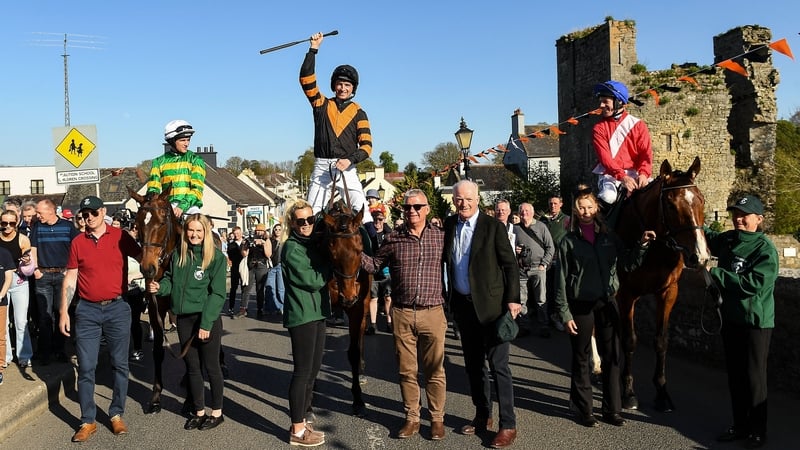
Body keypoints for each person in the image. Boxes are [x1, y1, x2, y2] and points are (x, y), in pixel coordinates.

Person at [553, 186, 654, 428]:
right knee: (582, 357)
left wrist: (641, 245)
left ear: (597, 208)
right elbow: (561, 281)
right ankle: (584, 408)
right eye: (581, 208)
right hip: (580, 304)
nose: (586, 211)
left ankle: (612, 409)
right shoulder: (568, 242)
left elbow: (628, 264)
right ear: (575, 211)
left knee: (612, 357)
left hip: (606, 302)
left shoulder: (609, 237)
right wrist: (565, 313)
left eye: (589, 207)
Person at [362, 189, 448, 440]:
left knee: (435, 370)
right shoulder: (393, 238)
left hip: (432, 311)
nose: (412, 211)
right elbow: (374, 265)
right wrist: (353, 251)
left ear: (427, 208)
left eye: (417, 207)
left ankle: (437, 418)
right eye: (408, 208)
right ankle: (412, 418)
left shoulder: (441, 237)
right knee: (406, 371)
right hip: (401, 312)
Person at [443, 180, 521, 449]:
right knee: (474, 366)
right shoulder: (449, 225)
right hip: (464, 308)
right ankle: (482, 415)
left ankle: (508, 424)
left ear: (478, 199)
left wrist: (513, 300)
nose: (462, 203)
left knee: (499, 367)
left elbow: (510, 265)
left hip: (493, 309)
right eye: (458, 199)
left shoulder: (492, 227)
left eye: (467, 199)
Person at [59, 196, 141, 442]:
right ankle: (87, 420)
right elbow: (71, 277)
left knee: (120, 364)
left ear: (103, 212)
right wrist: (64, 310)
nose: (89, 218)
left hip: (118, 307)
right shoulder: (77, 243)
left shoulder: (120, 236)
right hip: (87, 310)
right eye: (85, 214)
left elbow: (146, 258)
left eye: (93, 213)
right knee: (86, 367)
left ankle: (116, 414)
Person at [706, 195, 777, 449]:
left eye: (744, 215)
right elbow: (703, 236)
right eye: (735, 214)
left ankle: (758, 431)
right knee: (735, 376)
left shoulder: (765, 249)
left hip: (756, 322)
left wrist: (717, 274)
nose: (738, 219)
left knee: (754, 378)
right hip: (731, 319)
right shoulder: (727, 239)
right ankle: (740, 425)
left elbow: (755, 284)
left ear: (758, 219)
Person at [147, 214, 227, 431]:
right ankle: (199, 412)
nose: (194, 234)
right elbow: (170, 281)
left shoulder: (216, 258)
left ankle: (217, 412)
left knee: (212, 368)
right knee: (192, 368)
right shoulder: (178, 256)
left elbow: (218, 294)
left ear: (206, 232)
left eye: (199, 231)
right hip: (183, 319)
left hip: (205, 319)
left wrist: (206, 324)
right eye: (191, 230)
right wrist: (160, 288)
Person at [300, 32, 373, 226]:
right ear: (334, 86)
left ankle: (377, 250)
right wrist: (313, 49)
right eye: (340, 84)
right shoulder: (320, 103)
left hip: (347, 168)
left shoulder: (359, 113)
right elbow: (306, 79)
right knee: (310, 215)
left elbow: (366, 147)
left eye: (347, 85)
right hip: (322, 168)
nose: (343, 88)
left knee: (363, 214)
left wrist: (350, 159)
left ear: (352, 88)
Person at [282, 200, 332, 447]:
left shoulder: (311, 243)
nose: (306, 225)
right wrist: (331, 267)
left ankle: (303, 421)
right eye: (301, 221)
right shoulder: (292, 248)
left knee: (312, 372)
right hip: (301, 316)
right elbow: (312, 280)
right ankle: (297, 429)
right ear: (293, 223)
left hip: (317, 312)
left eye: (310, 220)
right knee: (302, 373)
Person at [31, 198, 80, 365]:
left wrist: (71, 270)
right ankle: (45, 352)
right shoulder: (37, 227)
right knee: (44, 316)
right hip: (43, 276)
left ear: (51, 211)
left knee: (61, 313)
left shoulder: (67, 227)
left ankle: (59, 350)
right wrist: (36, 270)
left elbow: (77, 247)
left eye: (39, 212)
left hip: (62, 276)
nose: (37, 215)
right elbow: (33, 249)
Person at [591, 80, 653, 206]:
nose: (601, 106)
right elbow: (606, 159)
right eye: (600, 102)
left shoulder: (638, 125)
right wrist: (622, 177)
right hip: (610, 176)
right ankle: (602, 226)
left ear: (619, 102)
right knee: (608, 197)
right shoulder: (599, 128)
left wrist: (644, 174)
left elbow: (645, 153)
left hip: (636, 173)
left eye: (605, 102)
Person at [147, 119, 206, 218]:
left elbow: (197, 189)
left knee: (198, 223)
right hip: (166, 206)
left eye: (188, 140)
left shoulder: (196, 160)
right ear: (172, 141)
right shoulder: (158, 162)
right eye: (182, 140)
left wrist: (182, 206)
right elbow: (153, 189)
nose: (186, 143)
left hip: (190, 207)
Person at [513, 203, 555, 338]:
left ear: (532, 212)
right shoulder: (515, 229)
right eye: (521, 210)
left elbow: (550, 247)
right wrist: (515, 250)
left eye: (526, 210)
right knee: (522, 300)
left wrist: (544, 264)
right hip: (522, 269)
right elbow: (508, 247)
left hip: (538, 268)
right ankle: (524, 326)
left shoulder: (541, 227)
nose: (524, 213)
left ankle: (544, 326)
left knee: (541, 299)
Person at [1, 209, 35, 368]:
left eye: (11, 223)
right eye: (4, 223)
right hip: (1, 281)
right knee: (3, 323)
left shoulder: (23, 239)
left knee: (21, 321)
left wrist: (27, 261)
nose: (7, 226)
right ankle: (5, 356)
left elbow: (29, 262)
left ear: (17, 223)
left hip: (19, 280)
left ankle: (24, 355)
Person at [540, 195, 569, 331]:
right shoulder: (543, 220)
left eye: (556, 203)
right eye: (551, 203)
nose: (553, 206)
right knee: (548, 290)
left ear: (561, 204)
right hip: (546, 261)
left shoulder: (567, 220)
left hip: (561, 260)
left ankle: (561, 316)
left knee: (561, 289)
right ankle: (551, 316)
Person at [365, 210, 392, 335]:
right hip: (373, 269)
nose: (377, 222)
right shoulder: (369, 232)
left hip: (386, 269)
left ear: (384, 220)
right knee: (373, 297)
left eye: (380, 219)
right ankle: (373, 324)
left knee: (388, 297)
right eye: (375, 219)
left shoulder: (388, 233)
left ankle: (389, 323)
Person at [237, 223, 272, 318]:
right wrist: (245, 245)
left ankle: (260, 309)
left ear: (264, 231)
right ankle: (243, 309)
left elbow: (268, 254)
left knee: (260, 289)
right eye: (257, 230)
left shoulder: (266, 240)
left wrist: (263, 243)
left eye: (261, 230)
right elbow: (244, 254)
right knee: (246, 287)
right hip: (251, 265)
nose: (258, 232)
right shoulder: (250, 239)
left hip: (261, 265)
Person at [0, 245, 14, 385]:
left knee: (0, 337)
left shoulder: (4, 253)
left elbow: (8, 277)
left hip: (0, 302)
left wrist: (1, 294)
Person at [264, 223, 285, 315]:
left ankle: (282, 307)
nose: (277, 231)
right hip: (272, 266)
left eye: (279, 229)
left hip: (281, 266)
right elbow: (268, 254)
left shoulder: (285, 241)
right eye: (276, 229)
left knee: (281, 289)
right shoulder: (271, 240)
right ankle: (272, 307)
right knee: (270, 287)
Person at [226, 226, 245, 316]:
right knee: (233, 288)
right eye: (235, 233)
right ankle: (231, 307)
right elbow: (230, 256)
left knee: (244, 288)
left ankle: (243, 307)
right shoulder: (231, 245)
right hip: (235, 268)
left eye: (238, 233)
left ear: (241, 233)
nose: (237, 235)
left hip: (244, 268)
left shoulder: (246, 242)